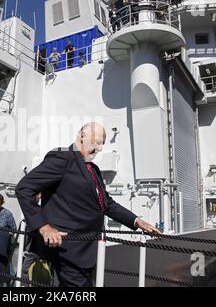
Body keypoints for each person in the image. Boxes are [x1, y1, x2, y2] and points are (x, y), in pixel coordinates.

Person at [16, 122, 160, 287]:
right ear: (82, 136)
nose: (99, 149)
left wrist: (137, 221)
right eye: (96, 142)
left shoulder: (94, 169)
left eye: (102, 145)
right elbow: (24, 188)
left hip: (87, 250)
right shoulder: (62, 157)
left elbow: (107, 204)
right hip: (66, 250)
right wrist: (43, 226)